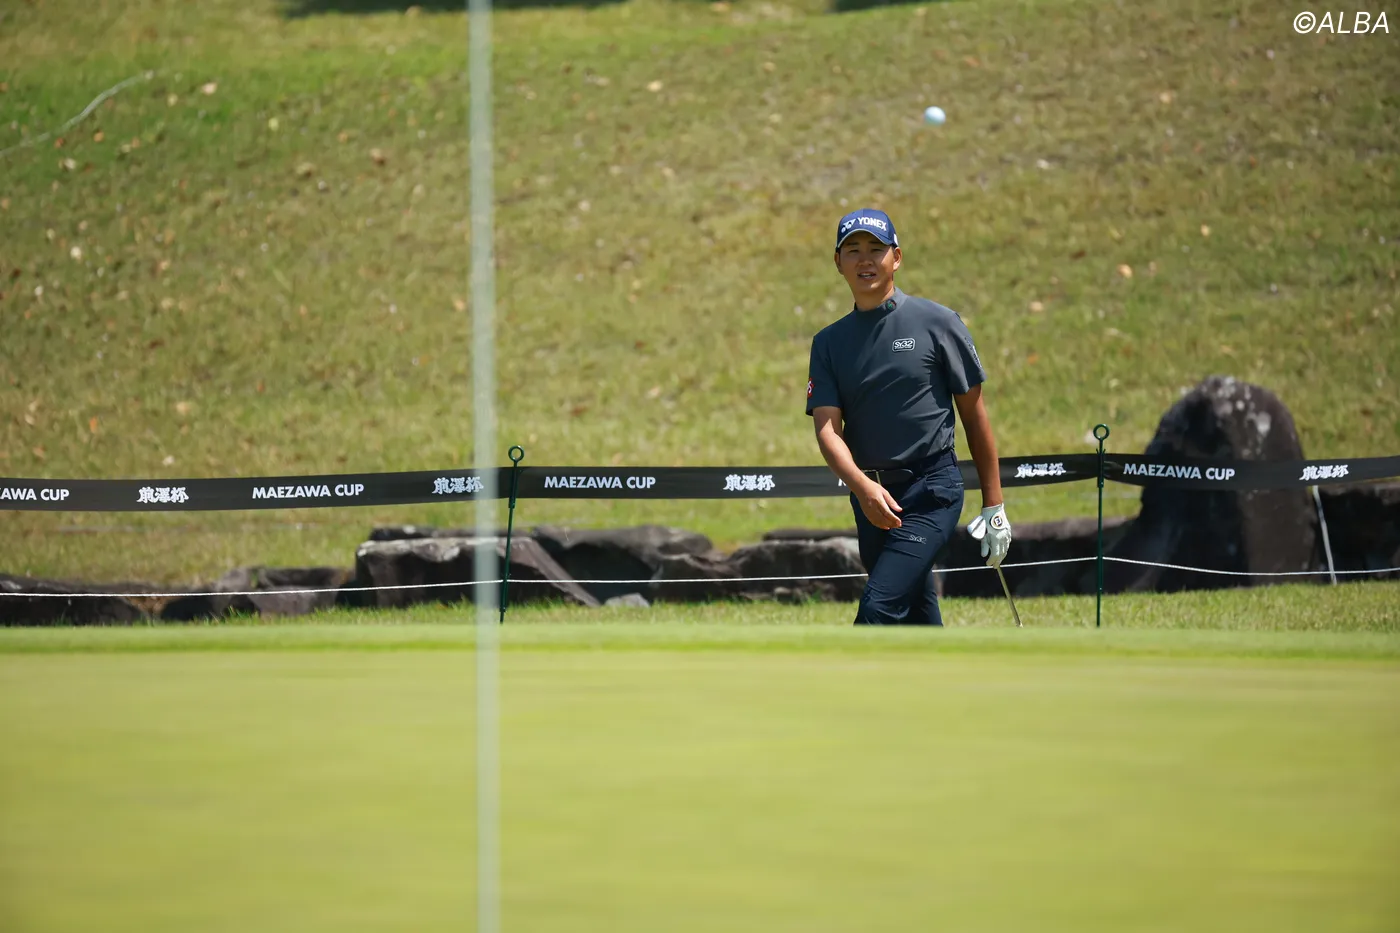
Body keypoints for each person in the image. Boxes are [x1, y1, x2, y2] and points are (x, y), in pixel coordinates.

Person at [806, 208, 1011, 626]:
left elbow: (975, 419)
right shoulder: (828, 343)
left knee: (878, 607)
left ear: (896, 257)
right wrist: (863, 488)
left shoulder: (938, 323)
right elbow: (828, 431)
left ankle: (845, 673)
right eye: (853, 250)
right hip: (872, 498)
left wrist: (994, 506)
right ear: (838, 262)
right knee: (918, 618)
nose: (865, 259)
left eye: (876, 249)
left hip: (932, 491)